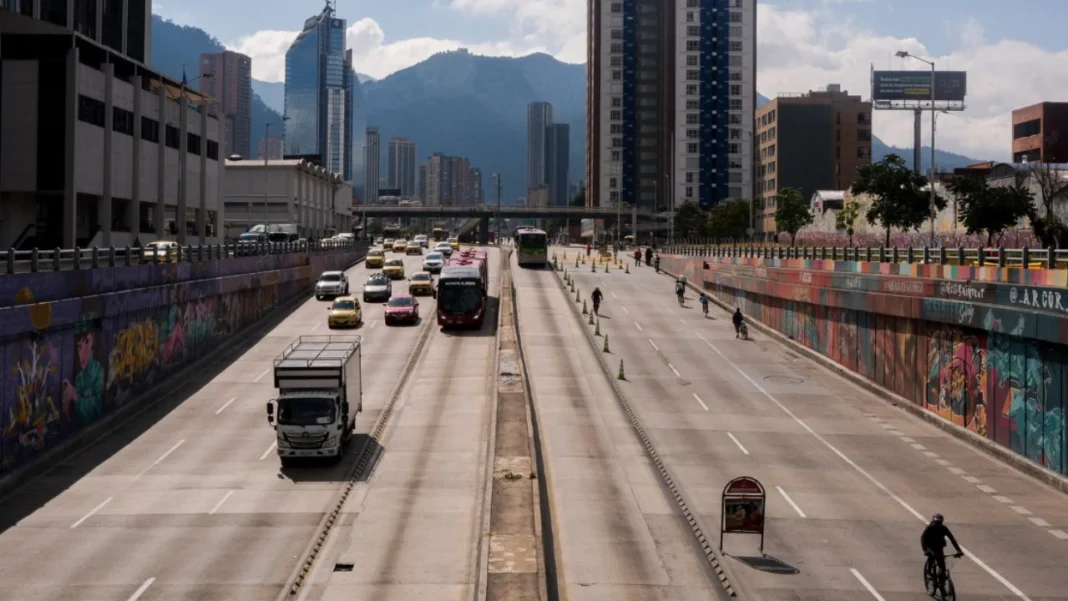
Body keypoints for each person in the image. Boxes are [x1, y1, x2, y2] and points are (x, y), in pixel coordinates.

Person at [921, 514, 964, 594]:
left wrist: (959, 550)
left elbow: (952, 539)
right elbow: (923, 539)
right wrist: (925, 550)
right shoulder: (929, 528)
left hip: (939, 547)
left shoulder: (944, 528)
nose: (938, 525)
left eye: (940, 523)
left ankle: (941, 583)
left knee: (942, 567)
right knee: (932, 556)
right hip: (930, 546)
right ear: (933, 522)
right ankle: (930, 573)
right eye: (936, 523)